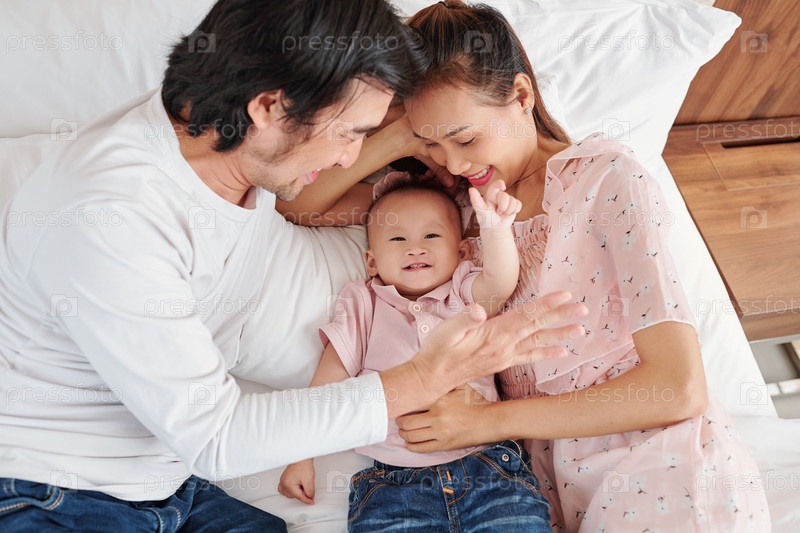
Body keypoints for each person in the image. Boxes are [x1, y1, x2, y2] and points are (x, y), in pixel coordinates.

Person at [0, 0, 587, 531]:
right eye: (351, 134)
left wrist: (406, 140)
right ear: (269, 108)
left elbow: (310, 199)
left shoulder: (227, 140)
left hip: (168, 486)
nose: (352, 158)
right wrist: (424, 377)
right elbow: (218, 437)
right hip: (52, 494)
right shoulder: (107, 215)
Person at [277, 1, 771, 530]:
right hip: (544, 486)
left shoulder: (606, 179)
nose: (454, 162)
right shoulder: (451, 211)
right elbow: (298, 204)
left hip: (662, 463)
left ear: (520, 96)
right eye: (433, 145)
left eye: (465, 138)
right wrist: (404, 133)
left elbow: (678, 387)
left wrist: (485, 422)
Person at [279, 177, 551, 531]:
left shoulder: (463, 292)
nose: (415, 249)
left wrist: (496, 230)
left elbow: (500, 283)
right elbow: (329, 381)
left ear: (462, 253)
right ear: (372, 262)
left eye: (431, 236)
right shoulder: (364, 302)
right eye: (398, 239)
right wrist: (300, 454)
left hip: (486, 467)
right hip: (395, 484)